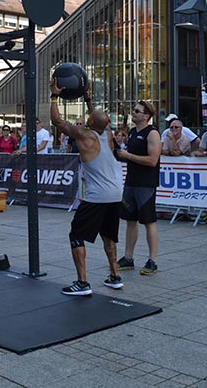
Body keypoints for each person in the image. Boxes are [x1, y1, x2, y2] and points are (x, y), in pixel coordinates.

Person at [50, 83, 125, 294]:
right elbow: (99, 118)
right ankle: (115, 276)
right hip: (116, 194)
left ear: (90, 122)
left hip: (97, 196)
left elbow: (57, 121)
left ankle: (82, 283)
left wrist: (54, 96)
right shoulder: (108, 134)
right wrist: (88, 99)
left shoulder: (85, 136)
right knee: (108, 236)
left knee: (76, 234)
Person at [116, 100, 161, 276]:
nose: (133, 113)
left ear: (146, 116)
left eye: (137, 111)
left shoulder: (152, 133)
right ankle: (128, 257)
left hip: (146, 184)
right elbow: (130, 157)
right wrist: (121, 155)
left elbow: (152, 161)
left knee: (149, 222)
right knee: (130, 221)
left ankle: (152, 260)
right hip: (131, 181)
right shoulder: (133, 132)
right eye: (133, 110)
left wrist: (128, 155)